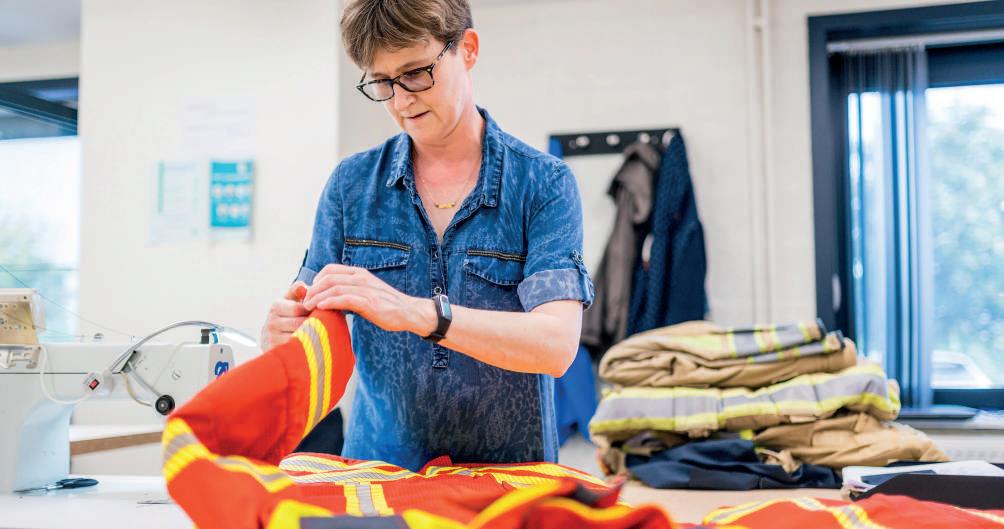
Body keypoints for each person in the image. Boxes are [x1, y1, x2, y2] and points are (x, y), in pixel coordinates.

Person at [260, 0, 593, 472]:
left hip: (507, 481)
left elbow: (555, 345)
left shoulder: (543, 183)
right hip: (379, 476)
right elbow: (310, 334)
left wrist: (416, 313)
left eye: (416, 73)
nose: (401, 101)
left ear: (468, 49)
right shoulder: (351, 186)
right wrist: (280, 337)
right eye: (382, 82)